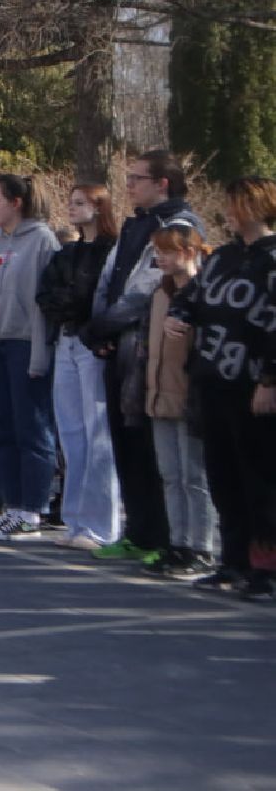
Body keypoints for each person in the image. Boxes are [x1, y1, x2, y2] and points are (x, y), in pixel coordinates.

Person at [83, 150, 200, 563]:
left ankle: (166, 537)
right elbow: (109, 279)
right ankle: (138, 529)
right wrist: (98, 329)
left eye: (137, 178)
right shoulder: (135, 224)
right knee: (125, 441)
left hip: (149, 346)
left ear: (162, 183)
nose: (129, 185)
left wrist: (105, 325)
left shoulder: (179, 225)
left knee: (152, 448)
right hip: (120, 343)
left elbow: (147, 287)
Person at [169, 177, 276, 600]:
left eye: (236, 205)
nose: (229, 213)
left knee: (260, 479)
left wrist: (269, 379)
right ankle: (232, 561)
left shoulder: (272, 259)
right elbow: (192, 295)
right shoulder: (223, 257)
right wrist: (178, 315)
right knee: (223, 475)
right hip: (212, 378)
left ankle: (265, 569)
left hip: (254, 384)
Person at [0, 175, 62, 541]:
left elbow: (42, 304)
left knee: (31, 429)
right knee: (0, 428)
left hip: (23, 345)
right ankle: (13, 507)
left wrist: (39, 354)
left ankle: (33, 510)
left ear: (16, 202)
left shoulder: (42, 240)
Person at [37, 184, 121, 549]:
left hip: (93, 342)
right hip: (65, 338)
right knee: (70, 432)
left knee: (97, 433)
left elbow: (101, 297)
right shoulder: (67, 252)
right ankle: (74, 520)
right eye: (70, 202)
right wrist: (67, 306)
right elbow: (45, 293)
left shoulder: (112, 250)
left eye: (80, 203)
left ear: (99, 207)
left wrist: (82, 313)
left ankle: (101, 526)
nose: (72, 208)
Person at [139, 223, 216, 579]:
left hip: (191, 396)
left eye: (167, 251)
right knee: (170, 475)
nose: (161, 258)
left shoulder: (205, 294)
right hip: (159, 394)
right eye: (158, 251)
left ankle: (202, 547)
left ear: (189, 252)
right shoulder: (160, 293)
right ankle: (179, 542)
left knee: (194, 476)